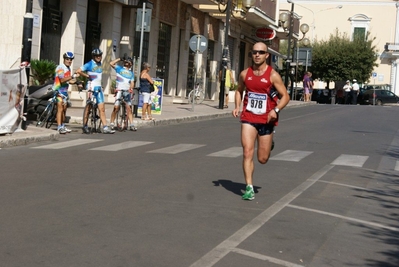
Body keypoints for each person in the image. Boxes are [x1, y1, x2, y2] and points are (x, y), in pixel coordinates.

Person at [232, 42, 290, 201]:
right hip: (248, 117)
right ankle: (249, 187)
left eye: (261, 52)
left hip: (267, 119)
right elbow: (239, 90)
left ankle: (270, 142)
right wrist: (237, 106)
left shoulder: (273, 75)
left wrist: (275, 110)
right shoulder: (245, 74)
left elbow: (285, 96)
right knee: (247, 152)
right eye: (254, 52)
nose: (257, 55)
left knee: (262, 159)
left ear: (267, 55)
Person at [76, 48, 115, 134]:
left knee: (102, 108)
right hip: (91, 87)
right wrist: (86, 75)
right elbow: (78, 70)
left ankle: (105, 127)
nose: (98, 57)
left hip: (99, 88)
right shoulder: (89, 64)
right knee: (88, 107)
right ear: (93, 56)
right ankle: (85, 125)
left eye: (100, 55)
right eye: (96, 56)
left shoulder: (100, 64)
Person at [52, 52, 79, 134]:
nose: (69, 61)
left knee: (64, 110)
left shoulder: (68, 69)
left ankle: (63, 125)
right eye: (67, 59)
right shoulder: (60, 68)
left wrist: (76, 82)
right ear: (64, 59)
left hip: (64, 92)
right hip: (58, 90)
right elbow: (62, 80)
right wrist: (73, 76)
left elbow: (68, 81)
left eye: (71, 59)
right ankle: (59, 127)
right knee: (60, 109)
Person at [109, 56, 137, 131]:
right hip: (119, 90)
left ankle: (131, 124)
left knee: (129, 108)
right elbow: (111, 63)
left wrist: (131, 88)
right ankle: (111, 123)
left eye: (128, 62)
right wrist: (119, 59)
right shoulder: (119, 68)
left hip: (126, 91)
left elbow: (132, 82)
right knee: (116, 108)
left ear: (130, 64)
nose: (126, 64)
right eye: (125, 62)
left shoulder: (131, 73)